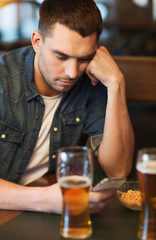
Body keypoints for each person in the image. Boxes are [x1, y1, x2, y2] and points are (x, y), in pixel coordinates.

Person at [0, 0, 134, 214]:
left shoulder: (93, 82)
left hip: (41, 216)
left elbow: (117, 170)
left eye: (84, 58)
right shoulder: (3, 80)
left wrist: (116, 83)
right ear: (37, 41)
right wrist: (45, 199)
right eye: (61, 56)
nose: (72, 72)